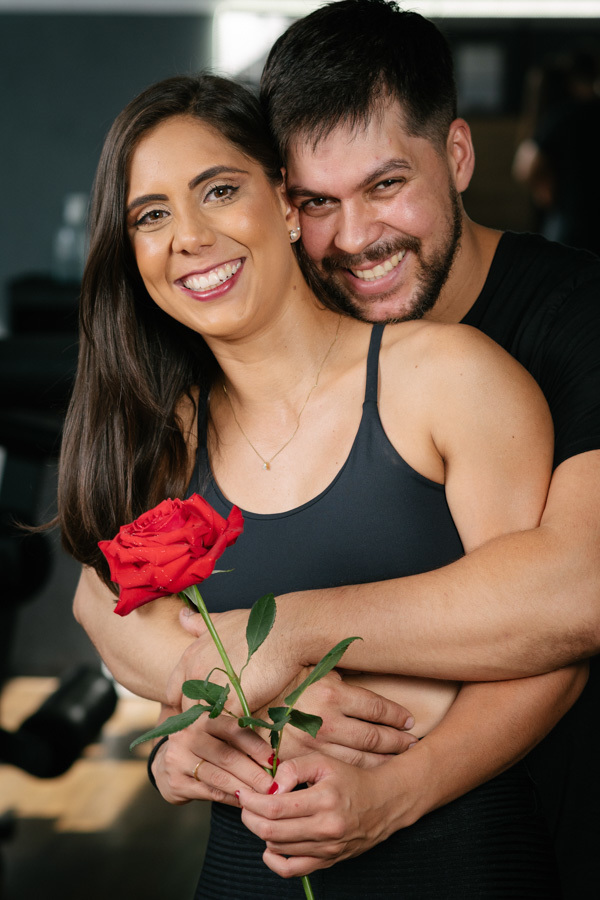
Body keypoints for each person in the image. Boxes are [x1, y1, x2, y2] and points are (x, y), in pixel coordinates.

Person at [70, 1, 600, 895]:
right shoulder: (182, 417)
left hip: (499, 842)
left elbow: (570, 605)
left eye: (386, 185)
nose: (353, 238)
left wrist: (288, 644)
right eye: (321, 201)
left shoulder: (499, 351)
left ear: (458, 156)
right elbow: (106, 599)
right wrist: (194, 723)